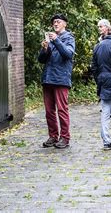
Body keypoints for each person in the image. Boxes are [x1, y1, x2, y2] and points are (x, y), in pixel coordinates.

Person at [38, 14, 75, 149]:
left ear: (65, 24)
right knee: (49, 111)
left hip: (61, 79)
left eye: (58, 22)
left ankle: (65, 137)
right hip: (48, 79)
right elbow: (41, 60)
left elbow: (68, 54)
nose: (55, 24)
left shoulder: (68, 38)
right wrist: (45, 48)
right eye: (54, 22)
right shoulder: (51, 39)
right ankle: (53, 136)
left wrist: (56, 41)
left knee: (61, 110)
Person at [97, 19, 111, 119]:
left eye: (101, 26)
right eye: (99, 27)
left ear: (106, 27)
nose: (99, 29)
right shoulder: (100, 40)